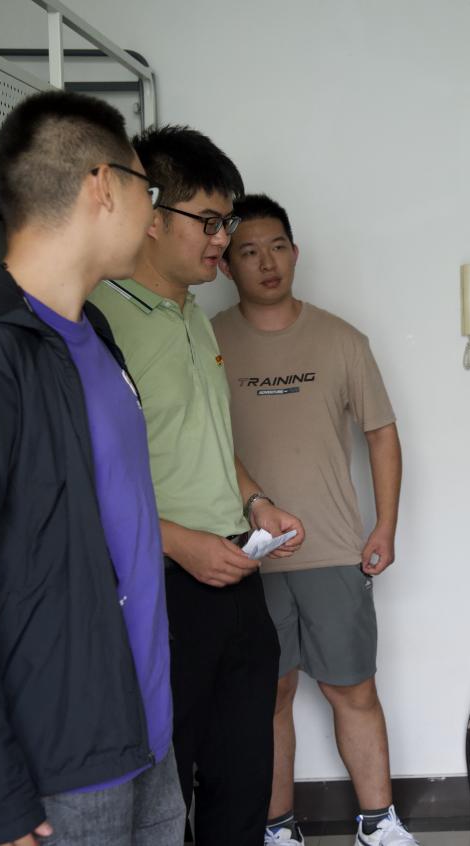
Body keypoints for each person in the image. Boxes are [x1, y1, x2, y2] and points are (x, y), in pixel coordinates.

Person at [0, 90, 184, 846]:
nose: (152, 215)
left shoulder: (92, 334)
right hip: (56, 766)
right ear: (102, 185)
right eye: (147, 191)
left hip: (145, 738)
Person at [89, 129, 305, 846]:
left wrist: (256, 503)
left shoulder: (192, 316)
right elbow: (79, 478)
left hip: (235, 574)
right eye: (208, 222)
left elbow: (208, 438)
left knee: (243, 782)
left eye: (226, 221)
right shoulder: (98, 321)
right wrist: (179, 544)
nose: (223, 240)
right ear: (151, 215)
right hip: (159, 587)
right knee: (163, 793)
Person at [210, 194, 413, 846]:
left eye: (277, 247)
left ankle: (378, 825)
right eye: (248, 252)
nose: (266, 263)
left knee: (353, 690)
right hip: (243, 555)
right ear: (225, 265)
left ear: (295, 253)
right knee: (265, 697)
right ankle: (277, 829)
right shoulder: (205, 343)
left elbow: (381, 433)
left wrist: (383, 526)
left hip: (332, 551)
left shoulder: (341, 339)